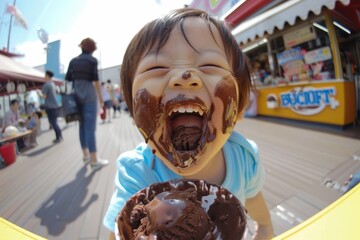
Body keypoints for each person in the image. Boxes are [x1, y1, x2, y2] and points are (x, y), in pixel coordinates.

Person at [103, 8, 274, 240]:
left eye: (209, 65)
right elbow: (118, 231)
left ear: (239, 108)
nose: (184, 76)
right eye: (157, 68)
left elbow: (256, 205)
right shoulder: (137, 173)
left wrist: (264, 229)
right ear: (135, 111)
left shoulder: (244, 158)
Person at [65, 38, 109, 171]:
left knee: (82, 127)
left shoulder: (73, 61)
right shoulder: (92, 61)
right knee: (90, 129)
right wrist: (101, 99)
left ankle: (86, 156)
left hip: (76, 97)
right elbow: (96, 81)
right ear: (92, 48)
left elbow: (67, 79)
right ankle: (95, 161)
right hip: (89, 96)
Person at [37, 70, 63, 143]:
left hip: (50, 107)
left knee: (53, 122)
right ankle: (60, 136)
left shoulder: (47, 85)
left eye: (45, 75)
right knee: (55, 122)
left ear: (48, 76)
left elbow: (44, 96)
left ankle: (58, 138)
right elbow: (57, 93)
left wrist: (39, 92)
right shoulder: (53, 84)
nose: (44, 77)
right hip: (55, 106)